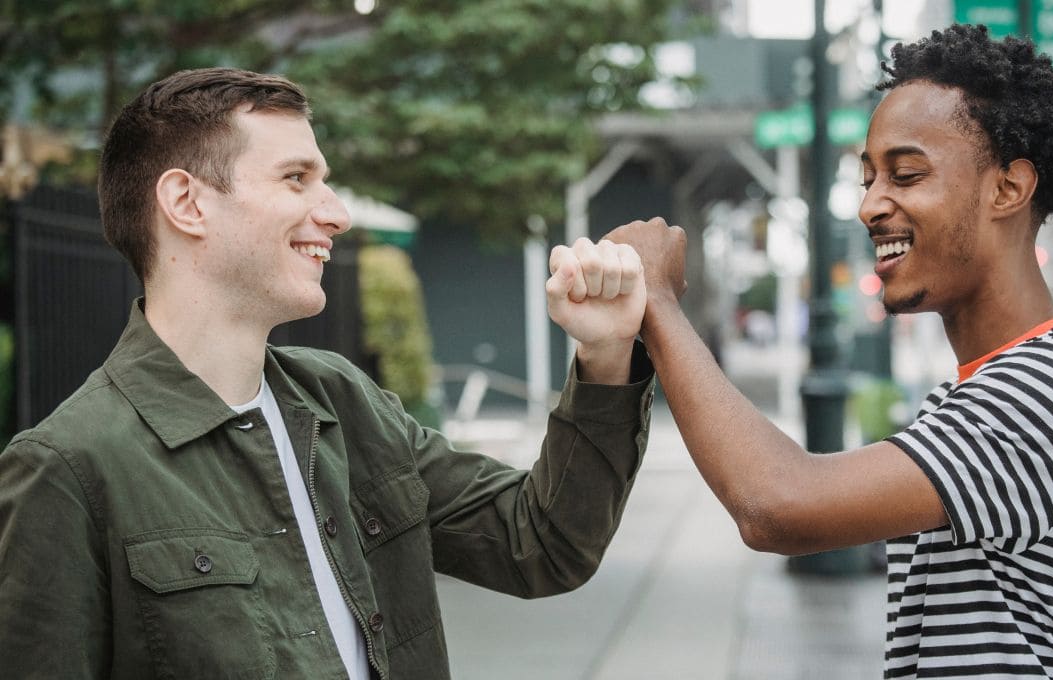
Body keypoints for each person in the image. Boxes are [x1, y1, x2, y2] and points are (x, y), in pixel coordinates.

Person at [0, 67, 653, 679]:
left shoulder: (342, 403)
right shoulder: (68, 472)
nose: (336, 212)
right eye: (295, 178)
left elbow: (541, 542)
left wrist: (604, 356)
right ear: (187, 203)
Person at [605, 24, 1053, 679]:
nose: (869, 206)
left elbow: (778, 504)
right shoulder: (986, 388)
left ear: (1007, 189)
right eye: (867, 178)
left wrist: (660, 305)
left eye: (907, 174)